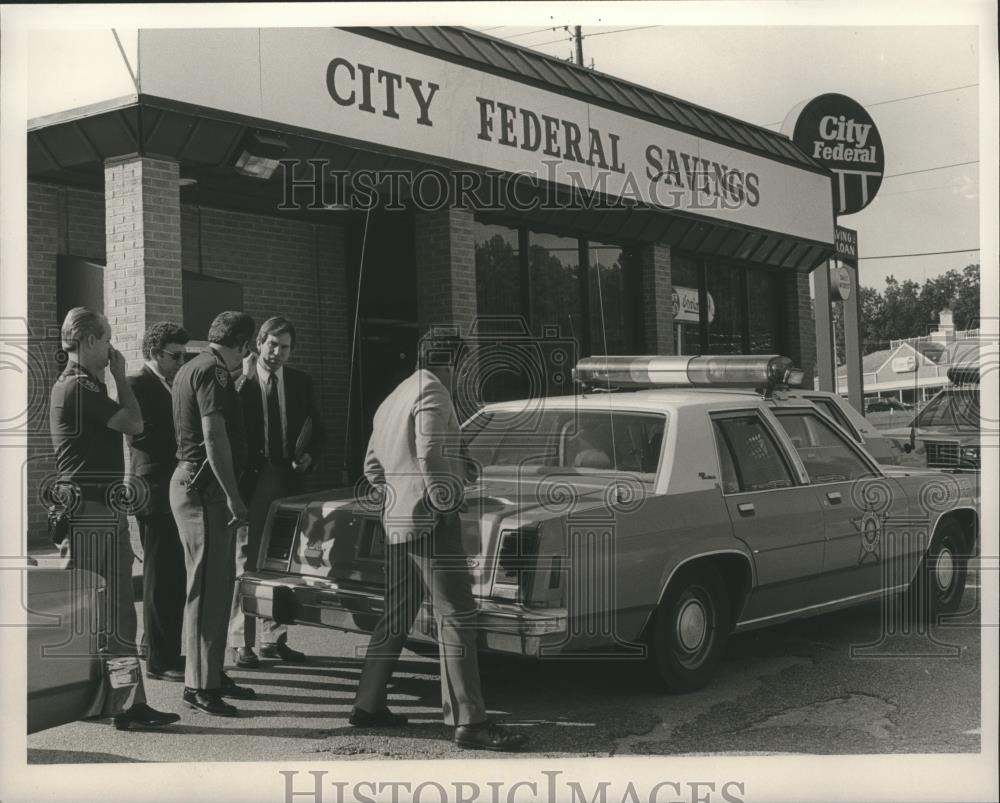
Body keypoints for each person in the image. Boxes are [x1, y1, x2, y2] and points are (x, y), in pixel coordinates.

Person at [351, 330, 528, 752]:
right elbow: (429, 452)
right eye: (463, 364)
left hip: (397, 521)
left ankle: (367, 704)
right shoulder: (434, 390)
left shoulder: (396, 395)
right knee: (457, 617)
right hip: (432, 521)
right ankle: (471, 721)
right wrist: (443, 500)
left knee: (395, 615)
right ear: (454, 362)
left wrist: (408, 493)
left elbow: (373, 467)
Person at [48, 306, 180, 731]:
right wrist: (121, 376)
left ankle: (116, 702)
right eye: (105, 340)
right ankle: (112, 703)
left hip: (100, 509)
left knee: (109, 615)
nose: (110, 349)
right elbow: (135, 422)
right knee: (103, 615)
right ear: (87, 340)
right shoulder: (78, 387)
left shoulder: (83, 385)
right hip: (90, 513)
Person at [170, 311, 256, 716]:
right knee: (208, 590)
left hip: (193, 482)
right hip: (205, 488)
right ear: (243, 345)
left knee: (216, 586)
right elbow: (212, 434)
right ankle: (200, 685)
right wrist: (234, 496)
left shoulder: (192, 366)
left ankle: (211, 674)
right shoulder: (214, 372)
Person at [228, 317, 324, 668]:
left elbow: (318, 429)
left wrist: (310, 456)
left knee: (283, 560)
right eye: (272, 344)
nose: (277, 353)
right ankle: (242, 641)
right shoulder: (241, 380)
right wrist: (243, 376)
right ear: (258, 343)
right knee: (246, 558)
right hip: (253, 481)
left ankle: (275, 638)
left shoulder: (300, 382)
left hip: (287, 479)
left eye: (285, 347)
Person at [127, 322, 189, 682]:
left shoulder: (172, 384)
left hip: (171, 489)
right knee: (160, 576)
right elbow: (143, 438)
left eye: (184, 355)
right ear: (154, 352)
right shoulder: (138, 385)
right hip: (153, 490)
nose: (181, 362)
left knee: (171, 574)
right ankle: (159, 661)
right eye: (174, 355)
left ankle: (160, 648)